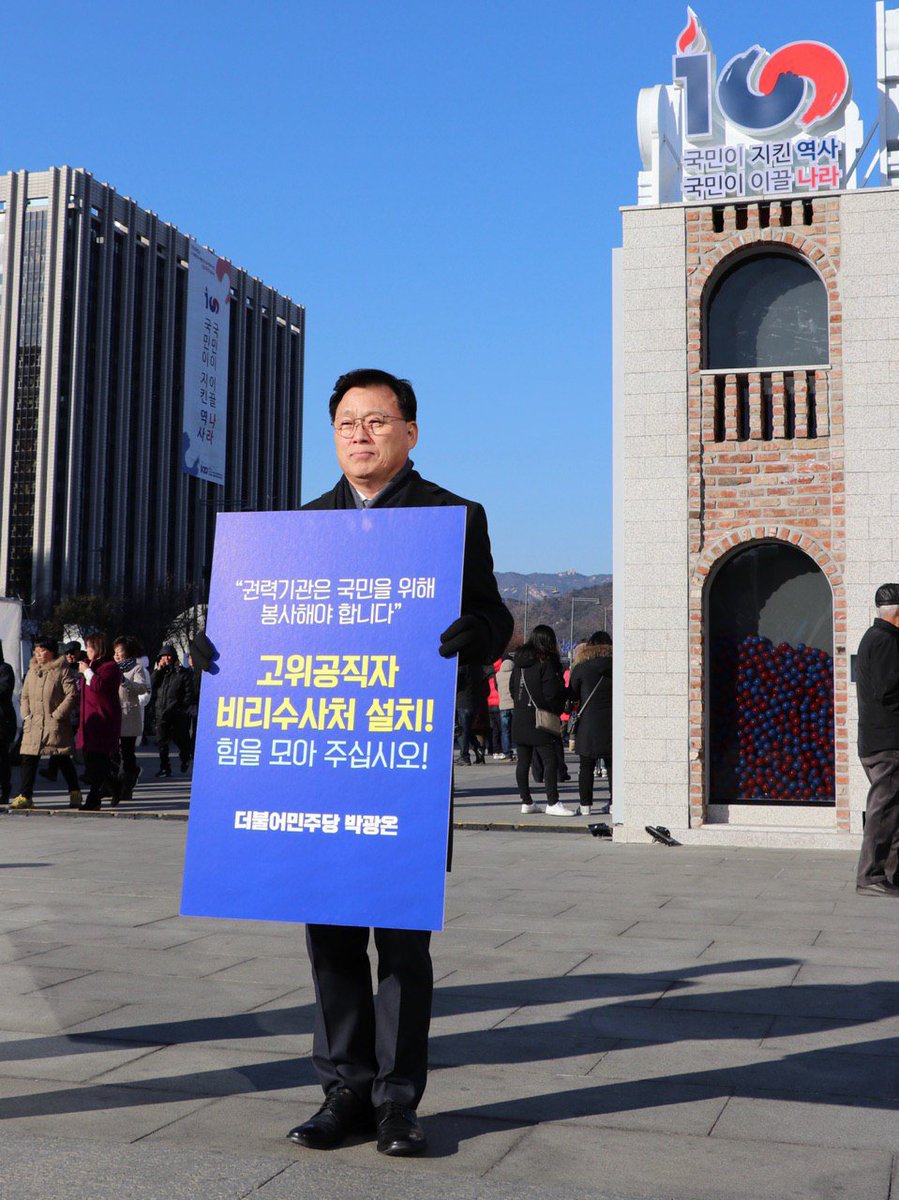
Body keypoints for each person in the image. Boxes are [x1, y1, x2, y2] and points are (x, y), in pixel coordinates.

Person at [287, 368, 512, 1158]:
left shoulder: (450, 516)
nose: (360, 434)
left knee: (402, 941)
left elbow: (494, 612)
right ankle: (342, 1088)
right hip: (322, 755)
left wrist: (472, 635)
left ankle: (396, 1101)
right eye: (347, 422)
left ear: (409, 433)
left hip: (400, 754)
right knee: (330, 934)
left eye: (377, 421)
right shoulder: (303, 527)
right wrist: (224, 649)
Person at [854, 583, 899, 897]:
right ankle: (871, 876)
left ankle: (890, 875)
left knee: (894, 809)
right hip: (887, 742)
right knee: (883, 809)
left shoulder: (879, 638)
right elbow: (887, 691)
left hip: (881, 740)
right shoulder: (884, 641)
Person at [510, 624, 572, 816]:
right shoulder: (546, 662)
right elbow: (551, 693)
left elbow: (513, 689)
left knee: (523, 761)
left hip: (519, 716)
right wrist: (558, 706)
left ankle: (526, 801)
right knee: (550, 760)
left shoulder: (519, 663)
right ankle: (552, 802)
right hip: (539, 718)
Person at [12, 638, 81, 809]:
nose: (38, 654)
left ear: (51, 652)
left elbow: (71, 694)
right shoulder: (32, 671)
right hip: (33, 723)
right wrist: (25, 714)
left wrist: (58, 714)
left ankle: (75, 792)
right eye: (36, 651)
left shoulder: (62, 670)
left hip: (54, 723)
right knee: (28, 758)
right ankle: (25, 795)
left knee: (61, 757)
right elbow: (25, 695)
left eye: (41, 650)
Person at [567, 631, 613, 816]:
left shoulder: (582, 667)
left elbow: (572, 695)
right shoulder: (618, 665)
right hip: (613, 721)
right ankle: (614, 804)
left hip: (588, 723)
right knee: (612, 765)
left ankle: (585, 806)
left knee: (586, 766)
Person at [77, 633, 123, 811]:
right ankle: (114, 785)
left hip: (104, 721)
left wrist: (87, 672)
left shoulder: (110, 667)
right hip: (89, 720)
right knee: (94, 761)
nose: (86, 651)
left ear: (97, 648)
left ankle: (93, 799)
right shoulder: (92, 665)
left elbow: (99, 686)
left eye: (89, 647)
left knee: (99, 762)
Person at [113, 636, 151, 804]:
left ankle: (124, 789)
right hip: (114, 716)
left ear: (127, 653)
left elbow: (143, 688)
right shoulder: (112, 668)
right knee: (115, 754)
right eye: (115, 652)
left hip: (129, 716)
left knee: (126, 754)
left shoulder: (136, 669)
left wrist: (126, 682)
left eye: (119, 652)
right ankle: (122, 782)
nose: (116, 655)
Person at [151, 645, 193, 777]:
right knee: (161, 741)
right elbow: (151, 685)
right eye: (163, 656)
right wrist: (158, 670)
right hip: (161, 713)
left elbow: (188, 693)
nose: (166, 659)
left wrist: (182, 708)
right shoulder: (160, 673)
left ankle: (185, 757)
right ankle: (165, 767)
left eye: (169, 656)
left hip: (177, 713)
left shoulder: (182, 673)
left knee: (180, 740)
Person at [0, 643, 17, 804]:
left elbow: (4, 691)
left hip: (2, 722)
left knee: (2, 759)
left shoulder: (4, 669)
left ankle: (4, 790)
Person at [494, 654, 515, 761]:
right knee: (516, 729)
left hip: (503, 706)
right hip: (514, 705)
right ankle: (520, 751)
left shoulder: (498, 675)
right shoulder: (514, 674)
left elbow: (496, 688)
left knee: (505, 731)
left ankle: (507, 753)